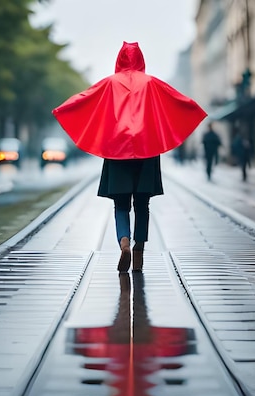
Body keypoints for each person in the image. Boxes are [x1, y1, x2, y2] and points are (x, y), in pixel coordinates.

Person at [53, 42, 206, 272]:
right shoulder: (151, 83)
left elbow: (85, 98)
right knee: (143, 205)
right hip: (147, 149)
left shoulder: (110, 83)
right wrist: (193, 109)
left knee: (121, 205)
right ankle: (139, 251)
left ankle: (123, 241)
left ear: (120, 59)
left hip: (117, 150)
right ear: (140, 59)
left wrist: (63, 109)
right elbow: (176, 99)